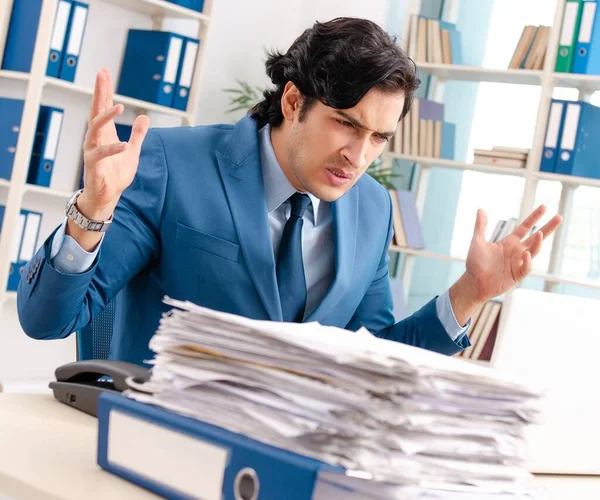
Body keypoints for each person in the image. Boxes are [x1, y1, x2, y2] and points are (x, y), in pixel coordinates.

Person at [17, 17, 561, 366]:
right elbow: (46, 321)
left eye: (379, 137)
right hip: (160, 444)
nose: (360, 155)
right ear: (294, 101)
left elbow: (371, 358)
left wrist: (470, 291)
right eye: (347, 124)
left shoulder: (371, 208)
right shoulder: (170, 163)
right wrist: (94, 209)